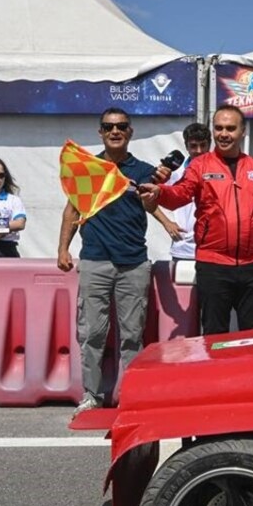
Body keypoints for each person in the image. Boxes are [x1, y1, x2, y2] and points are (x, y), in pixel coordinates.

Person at [139, 105, 253, 335]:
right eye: (218, 128)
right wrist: (160, 192)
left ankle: (249, 373)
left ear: (242, 132)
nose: (223, 134)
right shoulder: (200, 165)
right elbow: (180, 194)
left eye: (230, 128)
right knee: (214, 334)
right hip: (214, 265)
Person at [57, 108, 162, 417]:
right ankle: (91, 395)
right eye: (109, 127)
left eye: (121, 127)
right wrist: (63, 249)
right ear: (100, 132)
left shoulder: (142, 170)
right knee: (92, 334)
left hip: (133, 264)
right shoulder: (88, 168)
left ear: (130, 132)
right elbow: (72, 211)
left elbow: (153, 202)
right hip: (94, 261)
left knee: (132, 335)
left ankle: (130, 397)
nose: (115, 131)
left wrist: (156, 194)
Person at [155, 122, 211, 262]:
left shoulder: (220, 171)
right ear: (186, 146)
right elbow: (148, 197)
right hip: (183, 247)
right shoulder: (175, 171)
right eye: (193, 146)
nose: (198, 150)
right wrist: (166, 222)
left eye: (203, 145)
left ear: (210, 145)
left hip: (212, 248)